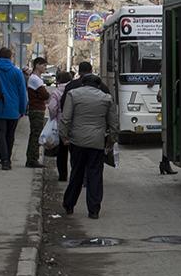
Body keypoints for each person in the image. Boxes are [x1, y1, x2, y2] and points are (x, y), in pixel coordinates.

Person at [59, 61, 118, 219]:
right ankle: (94, 210)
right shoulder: (106, 98)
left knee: (76, 173)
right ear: (97, 84)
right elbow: (114, 124)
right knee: (95, 175)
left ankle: (69, 204)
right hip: (97, 142)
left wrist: (64, 137)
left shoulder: (73, 94)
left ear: (83, 82)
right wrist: (110, 142)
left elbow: (65, 119)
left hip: (77, 141)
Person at [0, 46, 27, 170]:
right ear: (10, 57)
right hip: (13, 108)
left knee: (0, 135)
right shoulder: (16, 71)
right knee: (10, 135)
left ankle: (4, 159)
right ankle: (7, 157)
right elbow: (22, 92)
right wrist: (22, 109)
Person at [47, 70, 74, 182]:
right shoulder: (74, 90)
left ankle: (62, 175)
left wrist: (54, 117)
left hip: (60, 124)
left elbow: (52, 108)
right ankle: (75, 175)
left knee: (62, 152)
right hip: (73, 125)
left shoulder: (56, 92)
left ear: (58, 80)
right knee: (74, 152)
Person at [25, 56, 50, 168]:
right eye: (43, 65)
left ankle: (32, 158)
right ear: (37, 65)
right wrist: (46, 97)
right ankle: (32, 159)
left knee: (35, 133)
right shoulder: (35, 79)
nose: (45, 67)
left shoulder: (36, 78)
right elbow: (45, 94)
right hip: (36, 109)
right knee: (36, 134)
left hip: (37, 108)